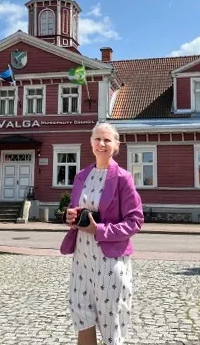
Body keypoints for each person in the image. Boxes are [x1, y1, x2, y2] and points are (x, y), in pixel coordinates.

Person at [60, 122, 144, 345]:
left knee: (111, 322)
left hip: (110, 260)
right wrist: (70, 217)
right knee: (82, 316)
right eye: (97, 139)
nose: (102, 143)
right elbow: (76, 207)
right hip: (82, 258)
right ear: (91, 143)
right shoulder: (82, 176)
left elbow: (135, 221)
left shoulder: (123, 178)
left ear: (116, 145)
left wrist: (99, 230)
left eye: (107, 140)